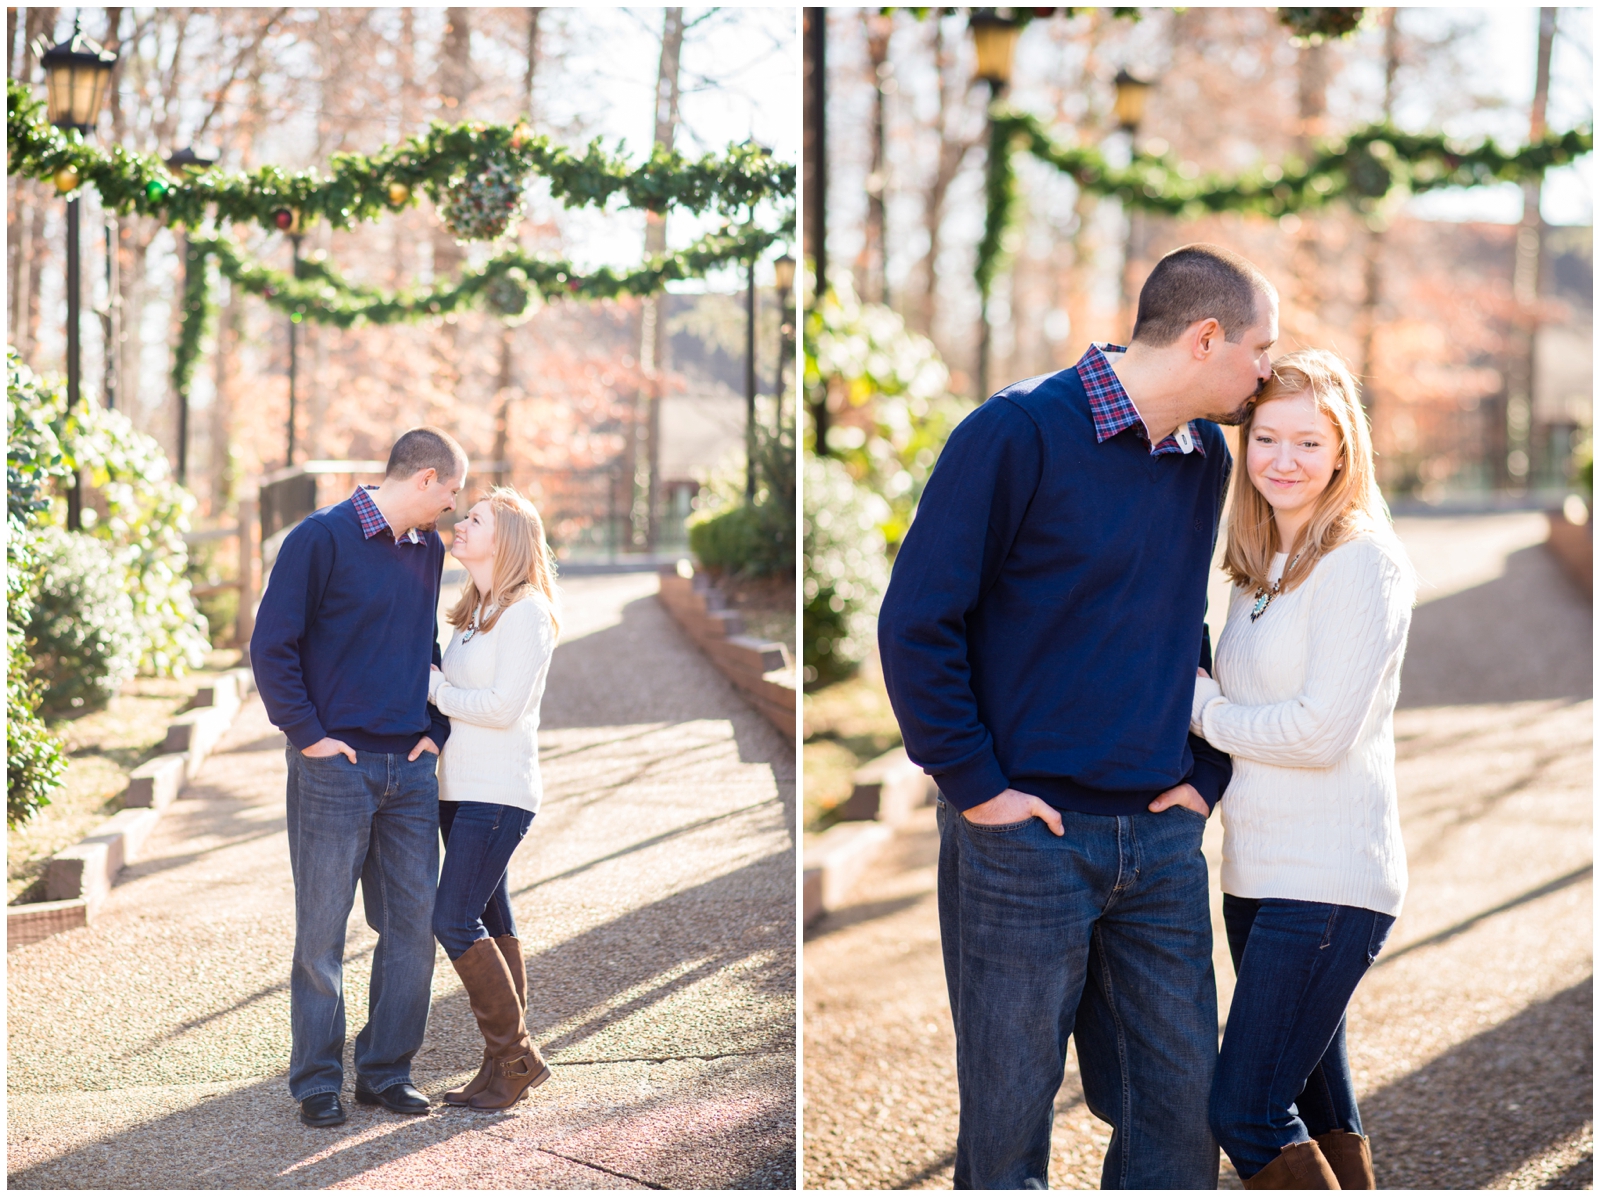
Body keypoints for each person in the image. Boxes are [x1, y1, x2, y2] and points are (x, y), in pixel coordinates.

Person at [878, 243, 1279, 1189]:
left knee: (1180, 1120)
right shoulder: (1015, 432)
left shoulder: (1202, 458)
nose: (1267, 372)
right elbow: (916, 621)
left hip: (1161, 839)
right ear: (1206, 337)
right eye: (1261, 348)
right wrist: (976, 787)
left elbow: (1183, 628)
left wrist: (1204, 775)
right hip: (1025, 840)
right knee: (1010, 1128)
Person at [1190, 350, 1414, 1190]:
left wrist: (1203, 709)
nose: (1283, 459)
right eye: (1267, 438)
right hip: (1256, 874)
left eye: (1308, 443)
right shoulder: (1260, 571)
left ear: (1343, 451)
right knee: (1321, 1108)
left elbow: (1320, 733)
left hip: (1328, 881)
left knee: (1245, 1108)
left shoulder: (1363, 561)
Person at [251, 427, 467, 1129]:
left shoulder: (427, 550)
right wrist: (309, 736)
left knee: (411, 925)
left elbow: (422, 643)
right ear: (427, 479)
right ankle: (317, 1080)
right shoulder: (319, 538)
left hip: (408, 768)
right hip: (332, 771)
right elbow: (271, 643)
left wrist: (436, 732)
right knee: (322, 931)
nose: (453, 509)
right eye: (453, 492)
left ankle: (385, 1070)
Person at [427, 487, 560, 1110]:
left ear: (504, 539)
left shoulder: (528, 613)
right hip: (459, 791)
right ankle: (498, 1067)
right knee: (495, 920)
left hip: (499, 794)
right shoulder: (476, 612)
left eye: (474, 518)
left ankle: (517, 1056)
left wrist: (433, 689)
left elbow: (504, 709)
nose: (460, 522)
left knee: (451, 919)